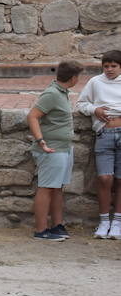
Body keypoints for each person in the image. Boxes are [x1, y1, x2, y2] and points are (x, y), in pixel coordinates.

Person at [27, 61, 83, 240]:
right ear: (73, 78)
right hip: (51, 149)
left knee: (57, 187)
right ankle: (41, 229)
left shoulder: (62, 93)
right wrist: (41, 141)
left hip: (64, 148)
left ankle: (57, 225)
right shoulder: (52, 94)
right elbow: (33, 116)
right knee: (46, 188)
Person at [75, 50, 121, 239]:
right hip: (104, 133)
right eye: (106, 66)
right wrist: (95, 109)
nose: (109, 69)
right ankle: (103, 222)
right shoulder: (95, 82)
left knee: (120, 179)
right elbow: (82, 104)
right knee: (104, 178)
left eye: (114, 66)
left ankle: (117, 222)